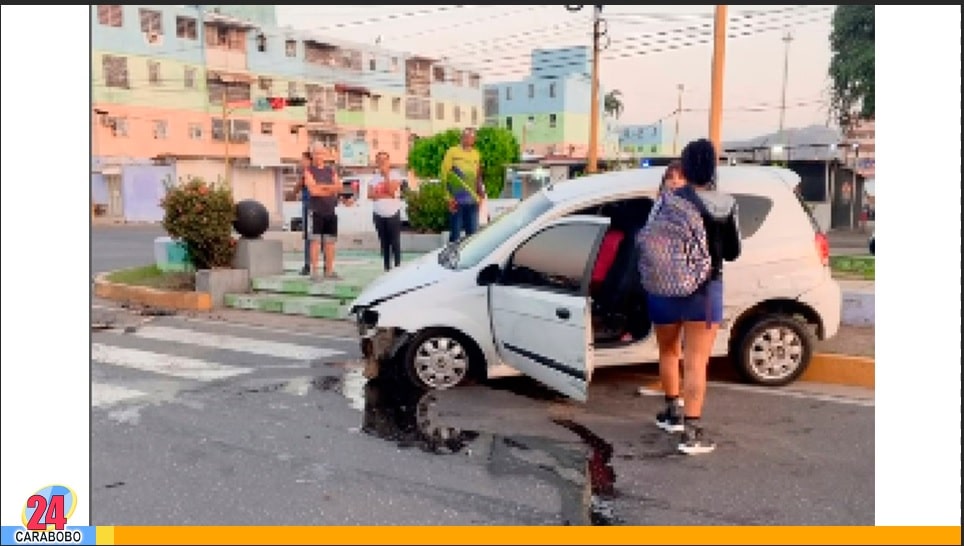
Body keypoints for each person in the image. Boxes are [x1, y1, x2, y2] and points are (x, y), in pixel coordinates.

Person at [643, 139, 741, 455]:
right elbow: (733, 252)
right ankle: (693, 433)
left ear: (683, 169)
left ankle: (672, 413)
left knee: (669, 351)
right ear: (713, 168)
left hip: (664, 288)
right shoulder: (725, 203)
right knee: (697, 362)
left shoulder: (667, 201)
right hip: (706, 291)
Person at [303, 143, 345, 280]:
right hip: (315, 211)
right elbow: (313, 191)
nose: (319, 156)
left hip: (330, 211)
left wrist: (323, 187)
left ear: (325, 155)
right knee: (315, 242)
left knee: (330, 242)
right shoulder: (308, 171)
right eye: (316, 153)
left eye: (321, 153)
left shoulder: (330, 171)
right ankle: (314, 271)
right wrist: (330, 188)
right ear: (312, 155)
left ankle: (329, 270)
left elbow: (339, 187)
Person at [440, 127, 486, 242]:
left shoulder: (476, 154)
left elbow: (478, 175)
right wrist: (448, 198)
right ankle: (450, 259)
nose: (468, 139)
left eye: (472, 137)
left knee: (473, 236)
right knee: (455, 235)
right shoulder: (452, 151)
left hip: (472, 200)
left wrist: (481, 194)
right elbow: (444, 174)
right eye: (466, 136)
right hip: (457, 199)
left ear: (474, 139)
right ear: (462, 137)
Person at [369, 151, 403, 272]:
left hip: (392, 214)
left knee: (395, 242)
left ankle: (398, 267)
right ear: (376, 162)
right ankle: (387, 268)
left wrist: (386, 176)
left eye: (384, 159)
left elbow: (392, 191)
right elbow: (370, 195)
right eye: (379, 160)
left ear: (389, 161)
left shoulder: (395, 175)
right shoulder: (374, 178)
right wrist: (386, 195)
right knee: (384, 243)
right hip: (378, 215)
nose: (382, 162)